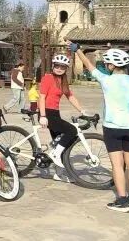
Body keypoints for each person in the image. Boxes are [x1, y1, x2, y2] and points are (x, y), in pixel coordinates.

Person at [70, 42, 129, 213]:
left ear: (112, 65)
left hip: (112, 128)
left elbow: (88, 65)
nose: (106, 66)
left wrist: (77, 50)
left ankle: (122, 200)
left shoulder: (106, 80)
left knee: (117, 165)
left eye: (107, 63)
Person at [38, 54, 89, 182]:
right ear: (53, 66)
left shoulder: (63, 81)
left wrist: (82, 111)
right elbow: (42, 97)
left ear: (66, 69)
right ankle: (54, 154)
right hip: (47, 112)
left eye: (62, 67)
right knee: (72, 130)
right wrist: (42, 116)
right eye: (57, 66)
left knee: (61, 143)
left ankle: (58, 174)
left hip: (55, 113)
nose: (59, 69)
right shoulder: (47, 78)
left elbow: (70, 96)